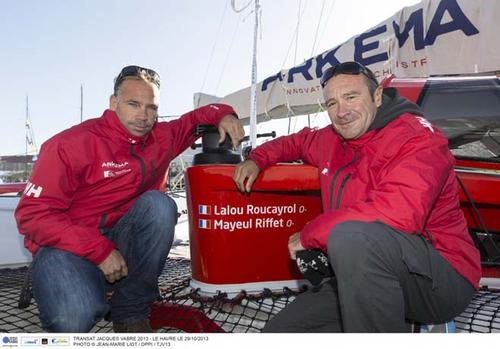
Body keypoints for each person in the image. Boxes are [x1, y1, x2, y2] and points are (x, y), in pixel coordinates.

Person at [233, 61, 480, 332]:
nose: (341, 112)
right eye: (331, 104)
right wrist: (257, 159)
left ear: (376, 97)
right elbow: (295, 142)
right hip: (361, 272)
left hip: (442, 280)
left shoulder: (418, 138)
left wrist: (310, 235)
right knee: (278, 334)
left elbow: (398, 212)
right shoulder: (330, 138)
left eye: (351, 97)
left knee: (350, 237)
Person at [15, 65, 244, 333]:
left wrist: (226, 114)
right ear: (113, 103)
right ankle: (68, 282)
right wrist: (99, 252)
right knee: (72, 319)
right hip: (68, 246)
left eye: (152, 107)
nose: (143, 116)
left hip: (121, 237)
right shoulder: (69, 144)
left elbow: (197, 118)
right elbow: (32, 215)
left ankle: (130, 310)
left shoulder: (163, 136)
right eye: (134, 104)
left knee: (159, 206)